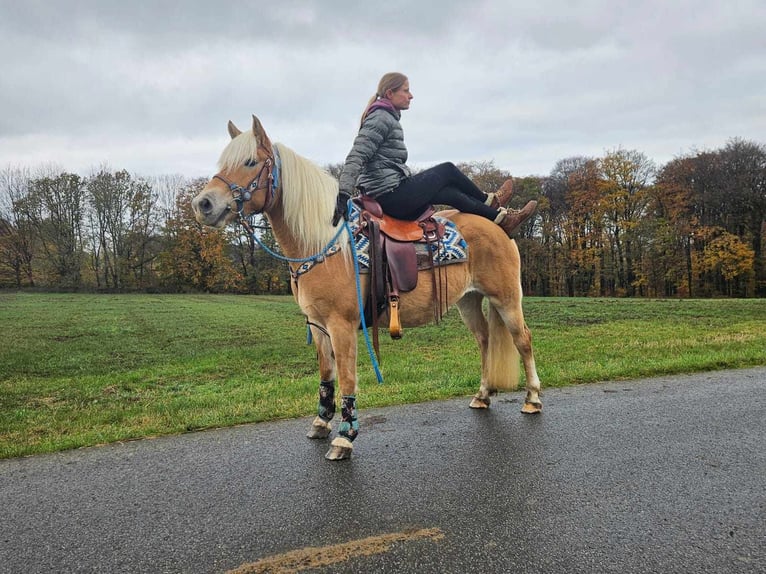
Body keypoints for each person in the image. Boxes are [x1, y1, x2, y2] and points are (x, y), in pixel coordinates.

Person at [333, 72, 537, 237]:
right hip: (389, 196)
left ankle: (501, 220)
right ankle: (490, 200)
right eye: (406, 90)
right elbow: (356, 156)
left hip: (390, 192)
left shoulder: (387, 117)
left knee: (448, 193)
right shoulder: (380, 118)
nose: (411, 95)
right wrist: (343, 194)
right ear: (389, 94)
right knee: (447, 170)